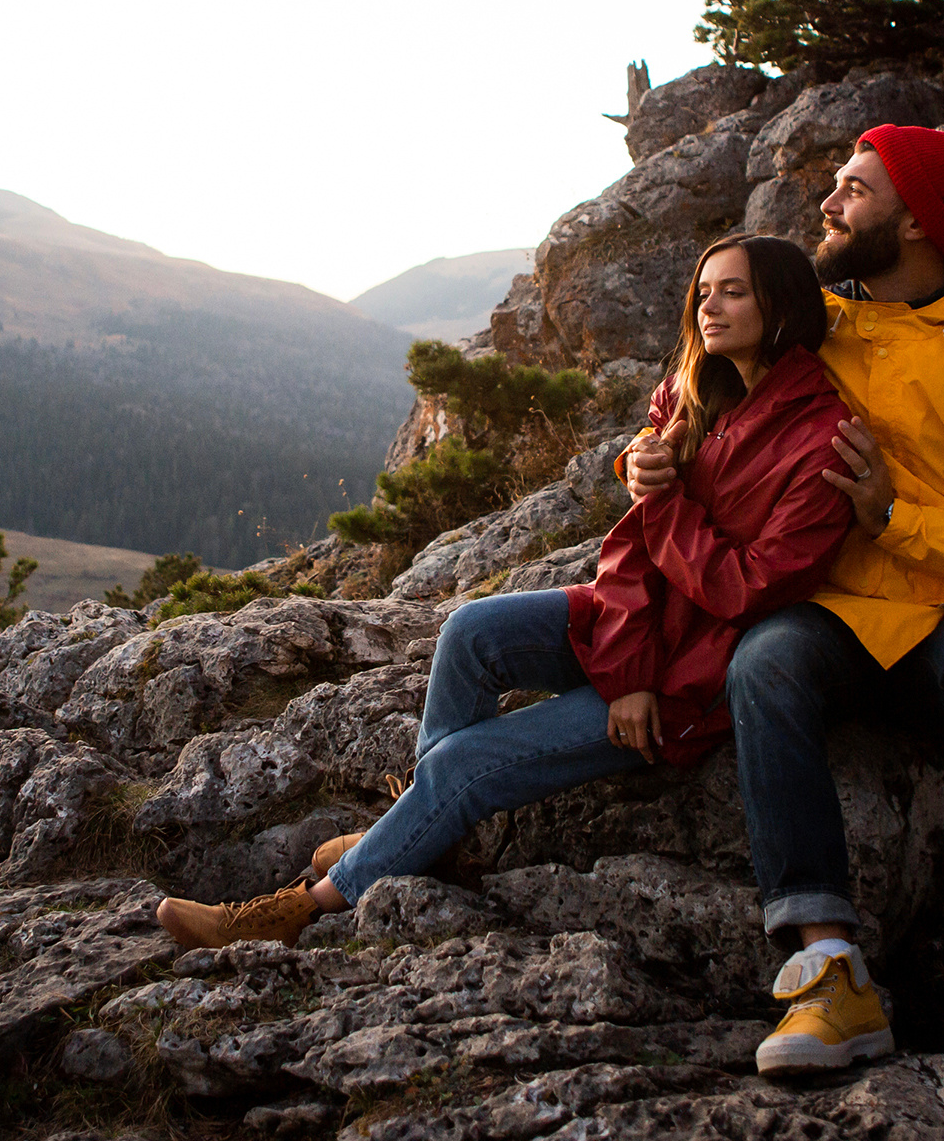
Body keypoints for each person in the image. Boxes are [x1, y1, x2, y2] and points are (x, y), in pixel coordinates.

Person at [154, 234, 856, 952]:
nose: (710, 307)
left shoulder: (821, 438)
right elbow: (633, 547)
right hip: (640, 636)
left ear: (782, 306)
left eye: (733, 292)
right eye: (703, 291)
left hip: (689, 681)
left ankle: (298, 911)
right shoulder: (692, 392)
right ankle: (425, 831)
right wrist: (628, 659)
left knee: (463, 765)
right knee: (470, 633)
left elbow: (746, 590)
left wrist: (659, 535)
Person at [623, 123, 944, 1120]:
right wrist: (642, 459)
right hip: (846, 610)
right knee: (766, 658)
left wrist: (895, 516)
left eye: (853, 188)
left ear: (917, 216)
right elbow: (694, 391)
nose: (829, 203)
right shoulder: (826, 323)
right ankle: (828, 970)